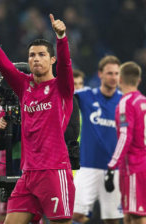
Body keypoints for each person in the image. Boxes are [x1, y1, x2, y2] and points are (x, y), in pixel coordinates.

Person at [0, 13, 75, 224]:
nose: (36, 59)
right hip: (28, 173)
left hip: (54, 171)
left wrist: (61, 38)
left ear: (52, 59)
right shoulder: (24, 85)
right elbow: (4, 66)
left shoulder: (61, 87)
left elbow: (66, 66)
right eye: (32, 55)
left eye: (41, 54)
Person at [73, 55, 123, 224]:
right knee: (73, 214)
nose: (114, 77)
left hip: (113, 170)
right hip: (87, 167)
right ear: (100, 74)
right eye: (110, 73)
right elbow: (63, 93)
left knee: (113, 219)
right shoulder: (86, 95)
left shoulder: (124, 101)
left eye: (117, 73)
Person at [108, 62, 146, 224]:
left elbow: (125, 137)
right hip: (142, 164)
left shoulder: (126, 102)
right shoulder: (143, 101)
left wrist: (112, 164)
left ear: (120, 79)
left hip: (134, 166)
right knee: (129, 214)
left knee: (137, 215)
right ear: (138, 80)